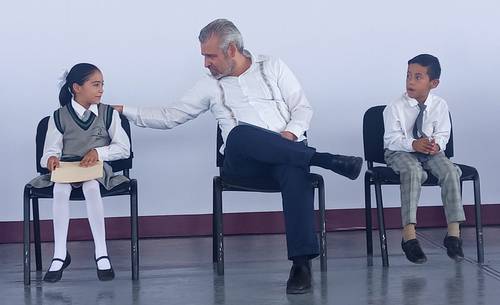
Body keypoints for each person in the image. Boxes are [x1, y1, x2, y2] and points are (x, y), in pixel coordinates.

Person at [115, 19, 362, 294]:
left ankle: (301, 265)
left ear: (231, 49)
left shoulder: (273, 66)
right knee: (240, 134)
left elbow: (302, 108)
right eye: (204, 56)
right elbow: (170, 116)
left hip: (286, 153)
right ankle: (326, 160)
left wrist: (290, 135)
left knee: (293, 170)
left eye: (210, 56)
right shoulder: (208, 85)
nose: (206, 64)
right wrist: (123, 110)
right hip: (242, 163)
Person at [29, 63, 130, 282]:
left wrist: (98, 152)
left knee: (92, 186)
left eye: (102, 84)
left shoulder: (108, 114)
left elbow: (123, 148)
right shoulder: (59, 117)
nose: (101, 89)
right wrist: (51, 159)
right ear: (76, 87)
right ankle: (59, 253)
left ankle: (101, 252)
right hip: (67, 170)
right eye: (95, 84)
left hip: (95, 170)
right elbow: (49, 152)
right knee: (60, 190)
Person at [383, 54, 465, 264]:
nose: (410, 81)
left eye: (418, 77)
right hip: (399, 151)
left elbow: (444, 133)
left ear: (433, 83)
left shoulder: (440, 105)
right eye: (408, 75)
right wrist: (412, 144)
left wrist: (436, 144)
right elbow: (391, 140)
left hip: (429, 151)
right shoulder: (395, 107)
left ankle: (453, 234)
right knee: (413, 171)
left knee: (450, 171)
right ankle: (409, 235)